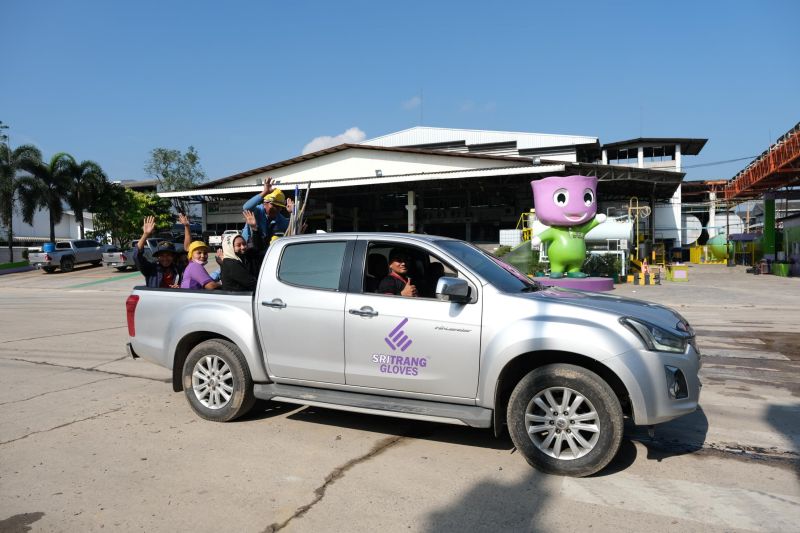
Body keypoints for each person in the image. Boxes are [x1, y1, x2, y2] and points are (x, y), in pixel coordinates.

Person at [220, 210, 266, 291]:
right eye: (238, 245)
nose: (243, 247)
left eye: (244, 244)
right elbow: (252, 284)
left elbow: (258, 249)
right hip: (239, 297)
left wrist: (254, 228)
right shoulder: (231, 264)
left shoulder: (244, 256)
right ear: (230, 248)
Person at [133, 216, 183, 288]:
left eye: (168, 255)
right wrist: (145, 234)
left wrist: (180, 287)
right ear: (157, 257)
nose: (165, 258)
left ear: (173, 256)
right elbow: (137, 256)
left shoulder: (179, 269)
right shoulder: (151, 269)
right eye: (162, 255)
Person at [241, 177, 289, 246]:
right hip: (248, 247)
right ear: (265, 203)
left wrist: (292, 212)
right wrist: (265, 192)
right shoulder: (258, 211)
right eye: (274, 206)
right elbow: (246, 208)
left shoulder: (280, 219)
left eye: (279, 207)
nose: (277, 209)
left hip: (265, 249)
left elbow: (290, 228)